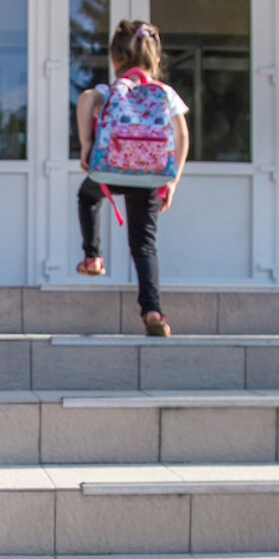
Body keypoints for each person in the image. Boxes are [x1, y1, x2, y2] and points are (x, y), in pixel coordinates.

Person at [75, 19, 190, 337]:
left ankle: (93, 257)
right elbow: (181, 136)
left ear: (115, 61)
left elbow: (86, 99)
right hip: (151, 176)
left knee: (87, 196)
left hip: (110, 168)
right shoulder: (165, 93)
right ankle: (153, 312)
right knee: (144, 244)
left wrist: (87, 144)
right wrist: (172, 180)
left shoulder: (110, 90)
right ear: (155, 59)